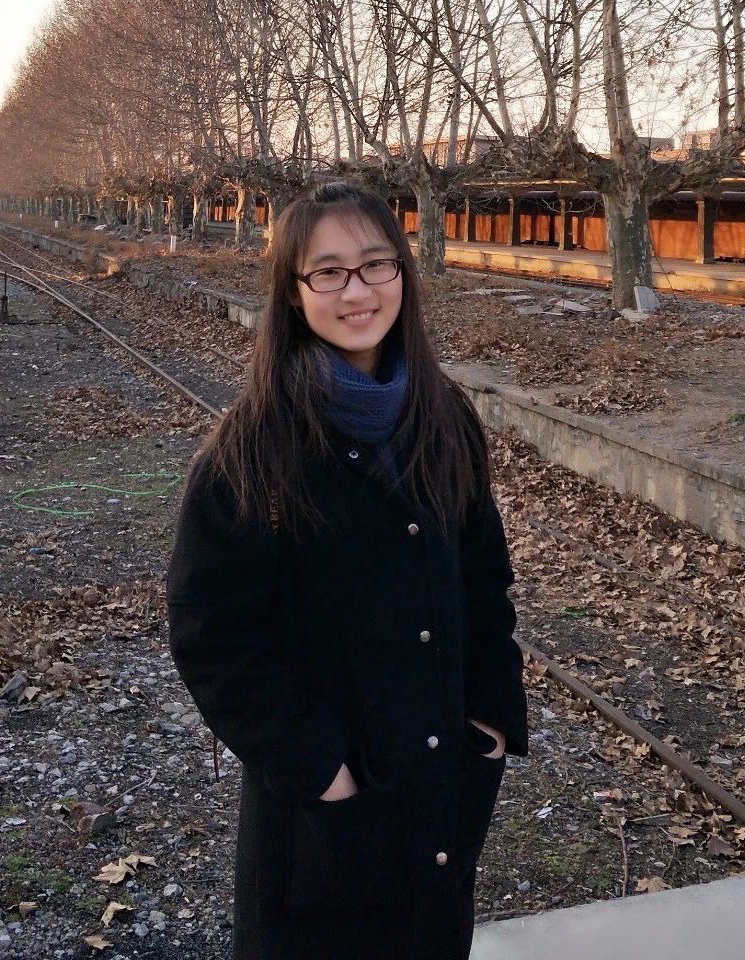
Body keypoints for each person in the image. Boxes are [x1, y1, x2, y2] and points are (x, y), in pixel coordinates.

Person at [167, 181, 528, 960]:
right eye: (328, 272)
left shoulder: (445, 417)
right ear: (294, 293)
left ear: (403, 272)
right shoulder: (251, 450)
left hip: (440, 789)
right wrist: (321, 770)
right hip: (320, 821)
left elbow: (484, 582)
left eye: (375, 264)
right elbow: (212, 637)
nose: (358, 291)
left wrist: (491, 725)